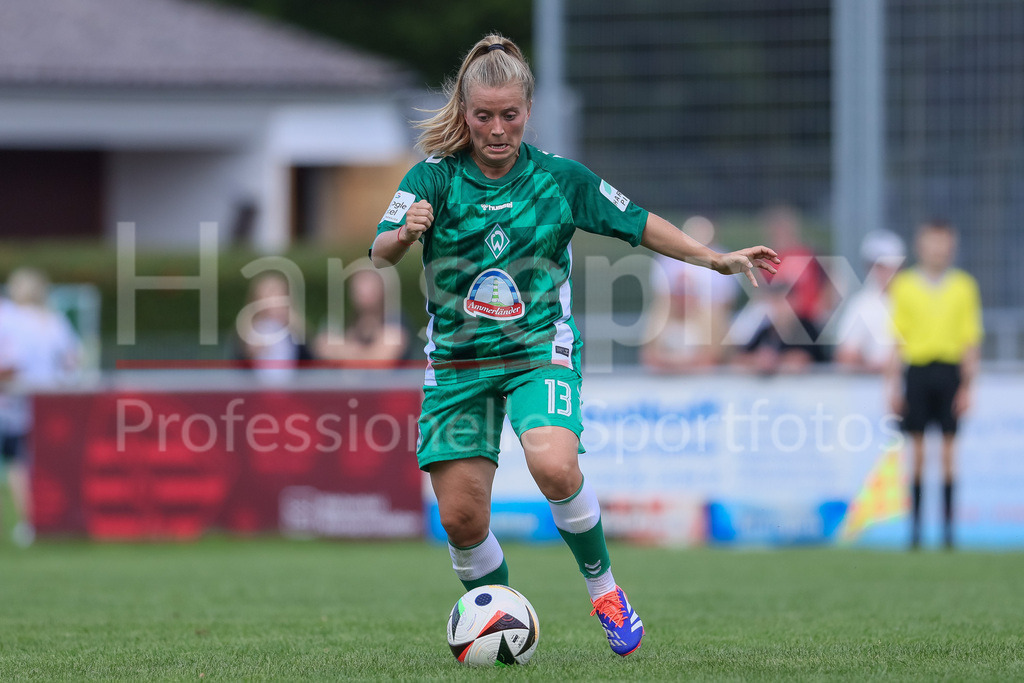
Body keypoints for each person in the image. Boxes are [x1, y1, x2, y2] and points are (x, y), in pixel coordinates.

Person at [370, 34, 780, 657]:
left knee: (554, 463)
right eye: (484, 116)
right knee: (461, 518)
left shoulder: (561, 179)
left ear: (528, 110)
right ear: (464, 111)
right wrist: (404, 232)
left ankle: (606, 590)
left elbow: (639, 221)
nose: (497, 129)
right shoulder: (433, 177)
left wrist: (714, 260)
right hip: (456, 365)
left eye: (510, 115)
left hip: (539, 350)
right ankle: (501, 628)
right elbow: (379, 252)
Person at [886, 221, 982, 549]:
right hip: (917, 371)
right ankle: (914, 532)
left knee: (948, 453)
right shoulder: (905, 285)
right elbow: (897, 340)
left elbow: (970, 341)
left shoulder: (964, 286)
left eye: (943, 243)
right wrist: (893, 386)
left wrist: (968, 386)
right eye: (932, 242)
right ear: (921, 245)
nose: (938, 249)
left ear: (951, 247)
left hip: (949, 371)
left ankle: (948, 533)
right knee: (917, 452)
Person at [0, 267, 82, 546]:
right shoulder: (53, 320)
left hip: (17, 399)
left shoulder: (9, 316)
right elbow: (73, 360)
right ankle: (56, 519)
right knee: (47, 463)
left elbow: (10, 363)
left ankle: (32, 522)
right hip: (54, 399)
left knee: (19, 463)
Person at [641, 216, 740, 371]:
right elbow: (649, 357)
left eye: (687, 292)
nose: (683, 297)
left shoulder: (711, 319)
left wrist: (673, 365)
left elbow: (712, 360)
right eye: (680, 292)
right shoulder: (660, 318)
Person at [834, 230, 906, 373]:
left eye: (892, 267)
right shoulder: (861, 304)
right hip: (869, 388)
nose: (887, 273)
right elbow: (845, 354)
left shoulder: (913, 300)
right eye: (880, 267)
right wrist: (873, 365)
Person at [314, 265, 409, 367]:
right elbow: (321, 347)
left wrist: (342, 350)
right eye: (359, 284)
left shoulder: (395, 321)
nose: (363, 289)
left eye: (369, 283)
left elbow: (381, 361)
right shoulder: (346, 322)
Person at [234, 272, 312, 385]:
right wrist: (249, 353)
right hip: (257, 395)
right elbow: (237, 368)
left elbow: (310, 362)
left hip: (292, 393)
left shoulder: (296, 330)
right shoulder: (246, 332)